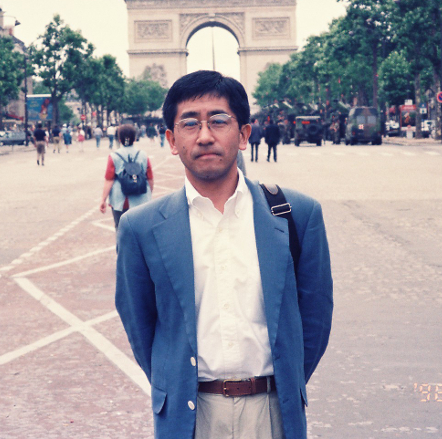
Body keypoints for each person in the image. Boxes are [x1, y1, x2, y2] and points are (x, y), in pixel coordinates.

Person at [115, 70, 333, 439]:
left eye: (219, 120)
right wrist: (175, 382)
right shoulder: (139, 227)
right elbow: (140, 324)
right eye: (189, 123)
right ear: (170, 139)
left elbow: (315, 319)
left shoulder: (298, 213)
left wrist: (283, 378)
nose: (205, 136)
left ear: (244, 134)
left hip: (273, 411)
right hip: (190, 415)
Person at [100, 124, 153, 228]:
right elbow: (150, 178)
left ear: (119, 139)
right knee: (141, 229)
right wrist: (148, 193)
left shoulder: (114, 156)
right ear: (134, 139)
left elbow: (109, 180)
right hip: (141, 199)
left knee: (121, 229)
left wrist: (103, 199)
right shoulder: (143, 155)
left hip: (121, 200)